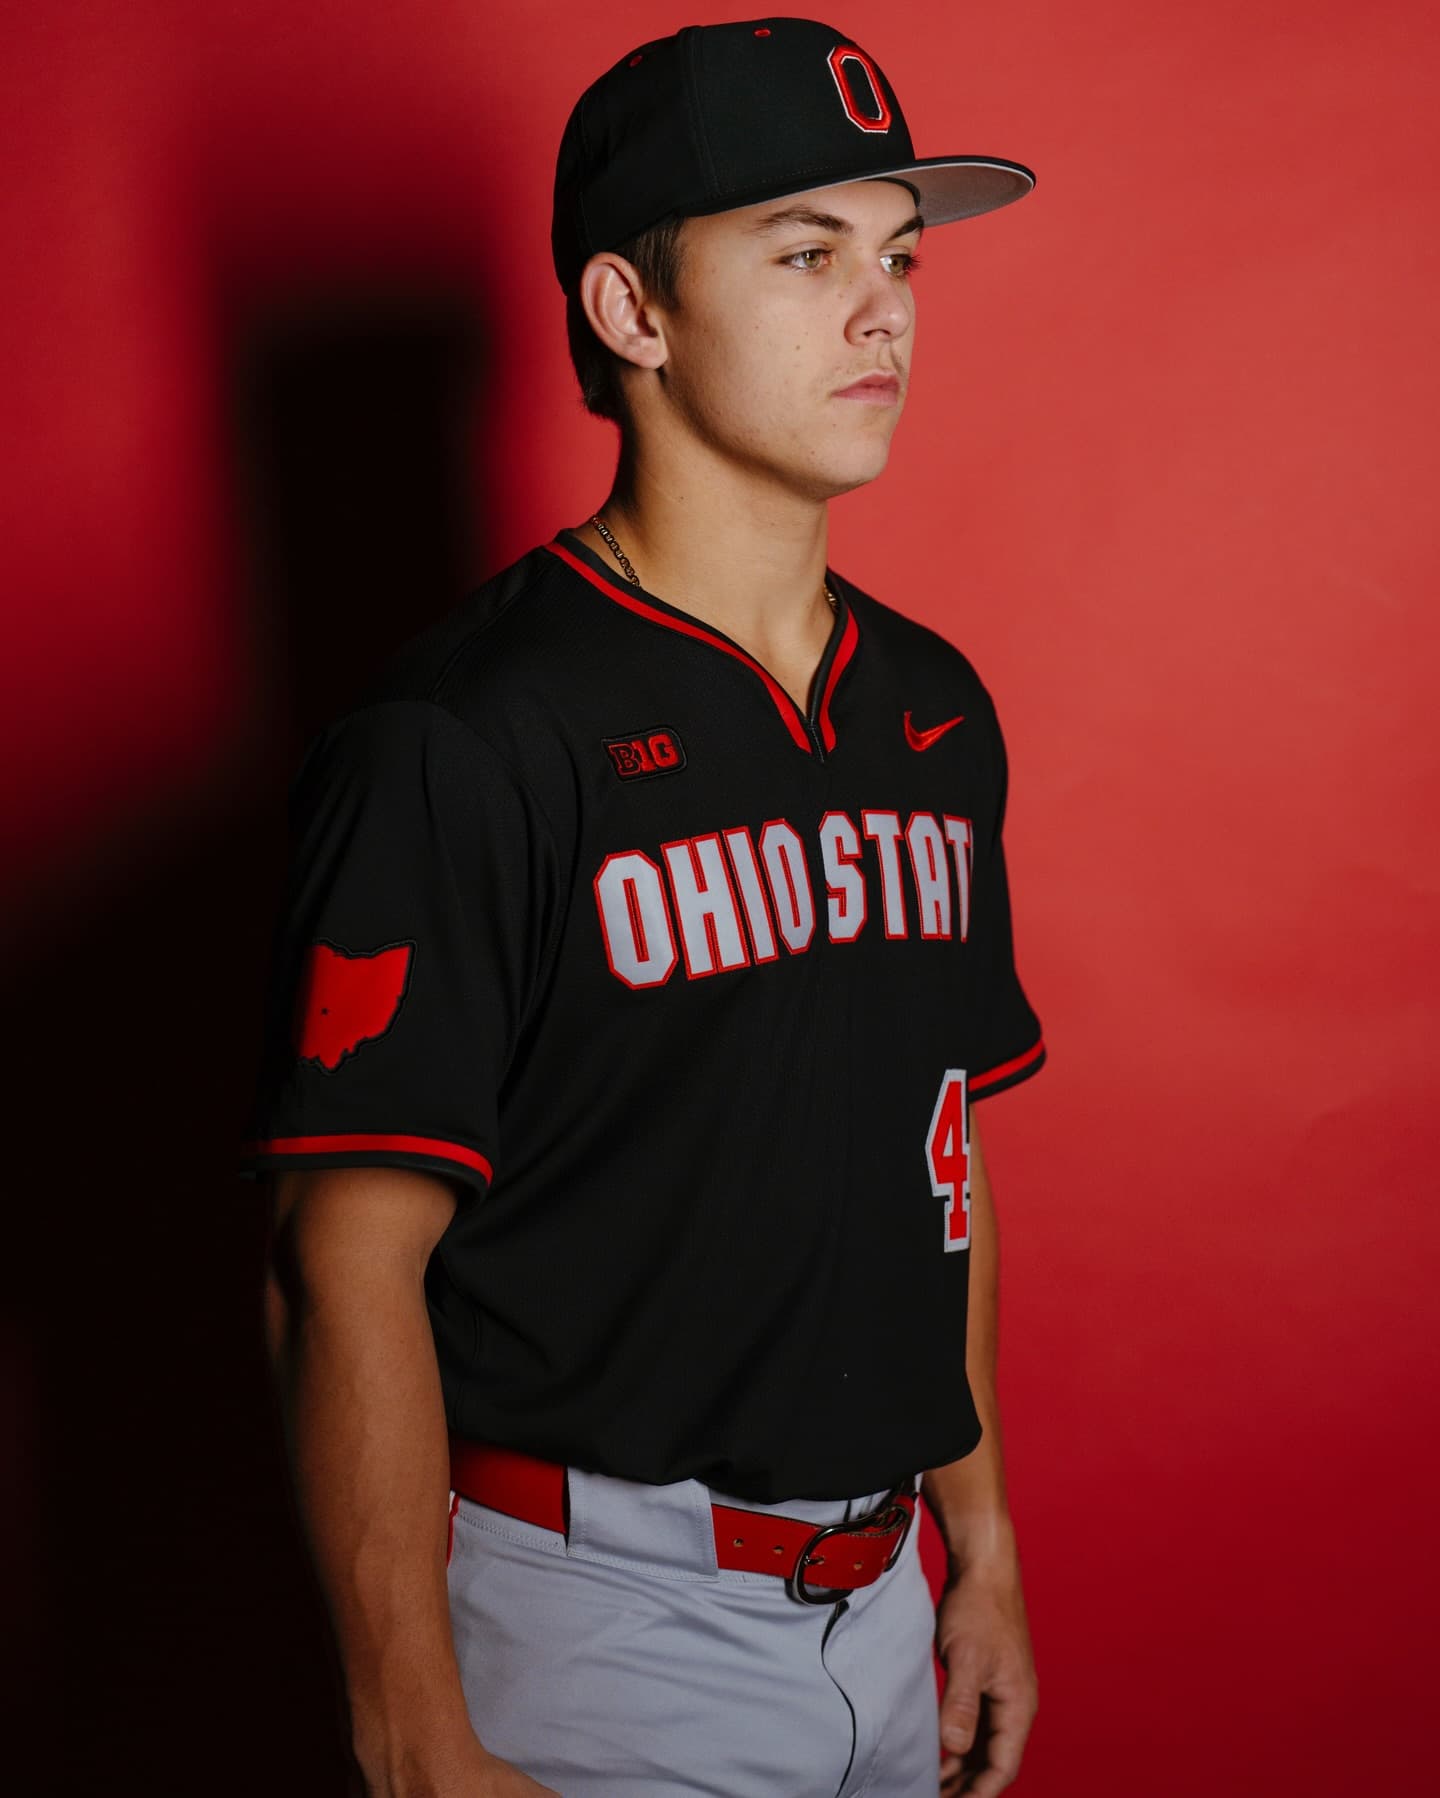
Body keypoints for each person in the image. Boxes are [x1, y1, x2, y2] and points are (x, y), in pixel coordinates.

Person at [243, 17, 1047, 1798]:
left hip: (886, 1601)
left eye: (899, 253)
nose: (885, 309)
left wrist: (978, 1544)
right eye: (806, 251)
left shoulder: (937, 708)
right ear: (631, 310)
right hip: (606, 1624)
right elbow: (339, 1258)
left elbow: (941, 1158)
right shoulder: (461, 738)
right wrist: (413, 1733)